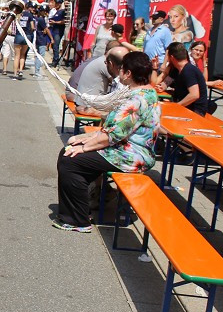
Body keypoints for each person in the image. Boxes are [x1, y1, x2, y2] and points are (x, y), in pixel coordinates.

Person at [54, 51, 160, 232]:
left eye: (121, 69)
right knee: (70, 152)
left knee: (70, 159)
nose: (119, 73)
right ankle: (81, 209)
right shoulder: (146, 92)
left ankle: (78, 220)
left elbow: (113, 134)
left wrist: (85, 147)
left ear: (127, 73)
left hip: (131, 155)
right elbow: (113, 131)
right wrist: (85, 141)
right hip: (129, 150)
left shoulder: (136, 99)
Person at [67, 45, 127, 116]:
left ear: (111, 64)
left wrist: (95, 112)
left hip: (80, 98)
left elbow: (119, 115)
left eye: (106, 62)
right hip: (80, 98)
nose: (105, 64)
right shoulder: (122, 80)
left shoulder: (121, 83)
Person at [163, 42, 208, 115]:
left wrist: (177, 105)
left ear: (171, 58)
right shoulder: (177, 69)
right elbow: (164, 84)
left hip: (195, 111)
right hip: (186, 107)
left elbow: (194, 95)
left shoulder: (188, 70)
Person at [143, 9, 173, 81]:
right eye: (152, 18)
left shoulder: (165, 31)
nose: (153, 19)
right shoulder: (149, 31)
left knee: (156, 82)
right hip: (148, 62)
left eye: (155, 18)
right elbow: (144, 46)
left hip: (159, 62)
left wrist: (164, 64)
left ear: (161, 19)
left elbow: (168, 48)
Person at [31, 5, 52, 78]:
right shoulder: (41, 19)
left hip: (38, 38)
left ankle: (37, 71)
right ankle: (37, 72)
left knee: (38, 55)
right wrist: (51, 38)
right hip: (41, 39)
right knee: (40, 56)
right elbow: (46, 29)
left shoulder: (36, 19)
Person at [48, 0, 68, 65]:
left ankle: (55, 60)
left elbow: (63, 21)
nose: (55, 5)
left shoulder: (62, 12)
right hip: (54, 30)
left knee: (56, 45)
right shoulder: (55, 11)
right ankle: (54, 58)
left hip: (58, 31)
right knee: (54, 46)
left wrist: (55, 22)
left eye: (57, 4)